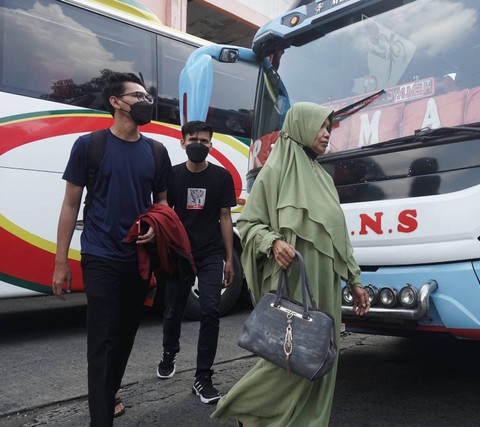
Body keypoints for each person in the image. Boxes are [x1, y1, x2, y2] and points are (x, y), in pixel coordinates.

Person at [212, 102, 370, 427]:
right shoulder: (274, 172)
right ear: (301, 126)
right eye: (321, 127)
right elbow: (250, 224)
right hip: (293, 278)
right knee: (288, 356)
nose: (327, 134)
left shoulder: (324, 178)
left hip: (326, 281)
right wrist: (273, 242)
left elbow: (339, 237)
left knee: (322, 352)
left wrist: (354, 279)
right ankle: (245, 410)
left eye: (329, 128)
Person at [52, 72, 172, 427]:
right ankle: (100, 420)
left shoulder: (156, 151)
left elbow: (163, 205)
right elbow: (70, 206)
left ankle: (109, 393)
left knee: (124, 336)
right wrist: (61, 262)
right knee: (102, 341)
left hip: (137, 260)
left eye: (146, 94)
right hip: (99, 255)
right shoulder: (89, 146)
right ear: (116, 103)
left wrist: (154, 227)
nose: (146, 100)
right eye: (137, 95)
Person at [155, 121, 236, 405]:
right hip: (180, 253)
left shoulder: (222, 177)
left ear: (211, 145)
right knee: (173, 309)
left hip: (211, 252)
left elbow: (225, 217)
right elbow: (164, 212)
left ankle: (203, 378)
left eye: (204, 140)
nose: (198, 144)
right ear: (183, 142)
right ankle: (169, 351)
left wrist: (229, 258)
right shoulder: (173, 176)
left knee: (211, 310)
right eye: (193, 139)